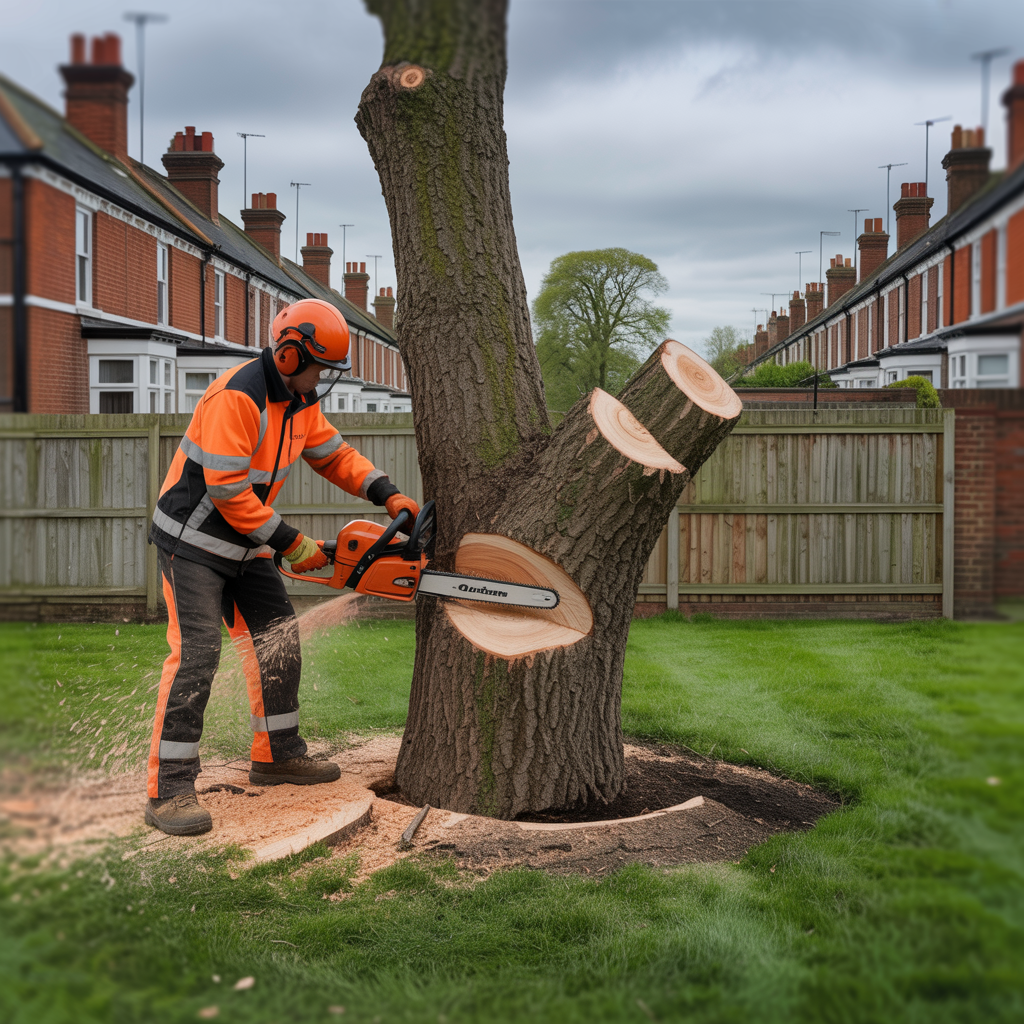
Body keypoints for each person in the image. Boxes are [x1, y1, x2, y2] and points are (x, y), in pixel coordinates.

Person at [144, 298, 419, 836]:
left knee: (281, 640)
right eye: (320, 367)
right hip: (191, 544)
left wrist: (386, 493)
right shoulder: (238, 396)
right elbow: (228, 491)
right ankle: (168, 789)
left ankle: (277, 755)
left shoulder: (299, 400)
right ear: (290, 355)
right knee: (197, 655)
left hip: (246, 546)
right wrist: (291, 543)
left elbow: (333, 454)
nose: (323, 380)